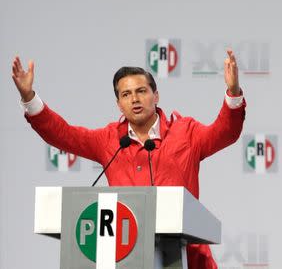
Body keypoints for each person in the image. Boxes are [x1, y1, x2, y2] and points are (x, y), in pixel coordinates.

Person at [11, 50, 246, 269]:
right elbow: (63, 134)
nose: (135, 99)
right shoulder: (109, 140)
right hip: (125, 258)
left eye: (141, 91)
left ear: (156, 95)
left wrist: (233, 93)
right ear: (119, 104)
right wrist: (29, 97)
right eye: (126, 94)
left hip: (186, 258)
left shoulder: (186, 132)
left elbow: (224, 132)